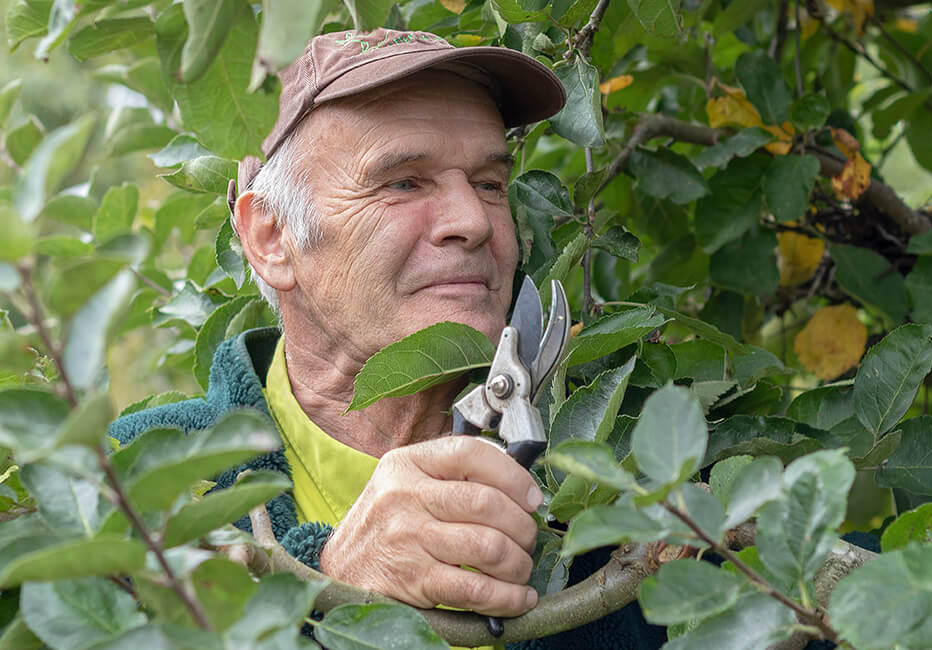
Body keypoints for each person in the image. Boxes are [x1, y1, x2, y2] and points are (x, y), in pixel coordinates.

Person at [109, 28, 660, 649]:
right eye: (403, 182)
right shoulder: (139, 480)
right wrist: (329, 590)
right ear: (270, 238)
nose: (473, 222)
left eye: (489, 184)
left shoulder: (626, 484)